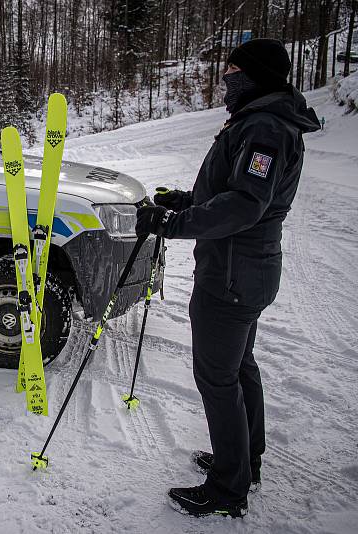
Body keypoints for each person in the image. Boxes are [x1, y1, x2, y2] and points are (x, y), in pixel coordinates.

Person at [135, 38, 320, 517]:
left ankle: (227, 488)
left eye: (233, 69)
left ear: (253, 75)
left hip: (233, 273)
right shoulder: (263, 119)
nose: (225, 78)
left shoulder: (263, 126)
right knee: (239, 367)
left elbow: (245, 203)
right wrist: (188, 199)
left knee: (217, 377)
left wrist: (171, 225)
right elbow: (234, 189)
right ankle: (243, 461)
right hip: (246, 269)